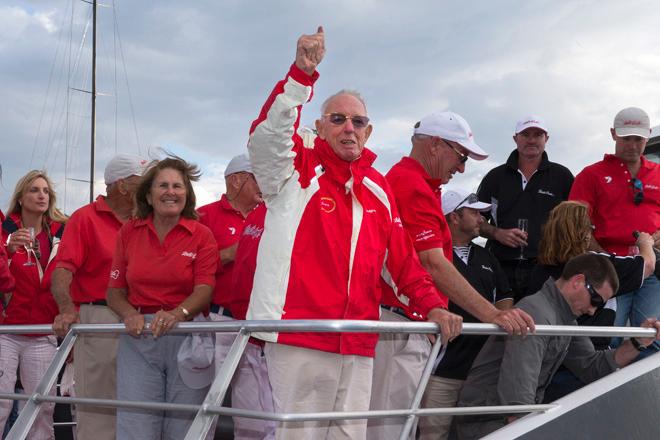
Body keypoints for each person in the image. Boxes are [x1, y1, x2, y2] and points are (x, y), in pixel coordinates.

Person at [246, 26, 462, 439]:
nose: (349, 127)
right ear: (321, 126)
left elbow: (402, 262)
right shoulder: (295, 171)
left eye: (357, 121)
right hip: (299, 338)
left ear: (369, 131)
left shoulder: (379, 189)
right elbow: (268, 138)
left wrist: (432, 305)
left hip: (359, 343)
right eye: (338, 118)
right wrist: (300, 76)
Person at [369, 114, 533, 440]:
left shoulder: (411, 183)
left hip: (403, 322)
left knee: (394, 427)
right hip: (400, 324)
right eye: (461, 157)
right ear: (434, 145)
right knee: (388, 430)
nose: (460, 168)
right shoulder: (412, 186)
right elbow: (432, 263)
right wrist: (494, 315)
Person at [453, 254, 660, 439]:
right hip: (488, 423)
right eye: (595, 300)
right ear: (578, 281)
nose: (592, 311)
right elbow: (517, 399)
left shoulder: (563, 318)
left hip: (503, 419)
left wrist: (638, 342)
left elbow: (592, 366)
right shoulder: (537, 313)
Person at [106, 156, 218, 439]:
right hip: (139, 336)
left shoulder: (202, 235)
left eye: (178, 186)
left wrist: (177, 314)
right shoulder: (129, 232)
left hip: (187, 334)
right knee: (135, 426)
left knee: (184, 428)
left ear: (187, 194)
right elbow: (114, 290)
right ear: (148, 194)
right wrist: (128, 314)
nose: (171, 192)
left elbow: (204, 289)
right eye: (163, 185)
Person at [51, 153, 146, 440]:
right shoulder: (84, 218)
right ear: (123, 186)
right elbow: (62, 270)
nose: (149, 186)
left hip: (143, 318)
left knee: (140, 407)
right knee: (98, 409)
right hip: (101, 318)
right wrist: (67, 308)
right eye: (143, 181)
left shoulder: (144, 220)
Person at [527, 200, 655, 401]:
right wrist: (645, 244)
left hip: (547, 366)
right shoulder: (597, 266)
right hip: (590, 365)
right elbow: (646, 266)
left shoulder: (537, 271)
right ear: (583, 232)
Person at [417, 189, 513, 440]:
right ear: (454, 217)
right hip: (440, 372)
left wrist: (498, 332)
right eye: (475, 213)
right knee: (433, 435)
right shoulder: (431, 255)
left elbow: (504, 297)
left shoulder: (486, 256)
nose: (482, 219)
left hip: (480, 373)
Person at [569, 107, 660, 356]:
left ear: (648, 135)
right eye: (626, 138)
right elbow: (575, 225)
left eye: (638, 139)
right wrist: (603, 258)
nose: (632, 145)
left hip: (652, 271)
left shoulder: (658, 173)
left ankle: (644, 393)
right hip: (608, 272)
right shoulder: (590, 175)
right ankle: (601, 392)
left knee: (652, 336)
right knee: (606, 338)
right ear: (613, 134)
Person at [197, 153, 270, 440]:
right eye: (258, 176)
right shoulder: (204, 216)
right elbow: (187, 267)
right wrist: (232, 253)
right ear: (237, 179)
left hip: (254, 326)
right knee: (204, 409)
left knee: (254, 414)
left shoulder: (270, 214)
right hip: (215, 321)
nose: (265, 183)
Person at [0, 170, 67, 439]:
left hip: (43, 332)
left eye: (45, 191)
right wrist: (7, 247)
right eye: (34, 190)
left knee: (42, 407)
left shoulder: (61, 233)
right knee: (1, 403)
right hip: (5, 331)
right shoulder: (5, 230)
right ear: (20, 197)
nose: (41, 195)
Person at [477, 116, 574, 301]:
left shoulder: (563, 177)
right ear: (515, 138)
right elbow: (475, 221)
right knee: (500, 325)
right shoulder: (495, 177)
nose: (531, 140)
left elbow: (576, 225)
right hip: (499, 266)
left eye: (537, 135)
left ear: (546, 139)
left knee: (541, 326)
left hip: (547, 268)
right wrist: (497, 233)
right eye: (525, 134)